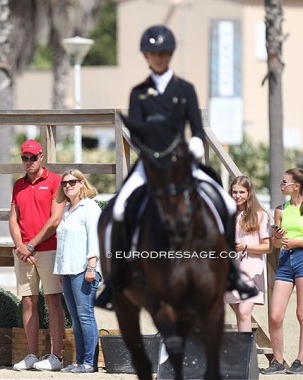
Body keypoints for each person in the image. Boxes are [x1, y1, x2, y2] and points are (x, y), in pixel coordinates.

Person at [96, 24, 256, 309]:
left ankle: (231, 270)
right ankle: (117, 276)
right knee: (118, 208)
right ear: (146, 56)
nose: (158, 57)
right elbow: (138, 133)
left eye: (163, 52)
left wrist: (195, 144)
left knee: (228, 206)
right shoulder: (139, 93)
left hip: (182, 162)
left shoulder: (185, 90)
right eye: (153, 53)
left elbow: (195, 127)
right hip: (150, 165)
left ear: (169, 54)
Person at [9, 139, 66, 371]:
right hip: (24, 252)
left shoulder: (55, 181)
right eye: (25, 158)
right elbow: (13, 217)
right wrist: (21, 246)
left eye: (33, 157)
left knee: (53, 300)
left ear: (42, 156)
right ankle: (32, 354)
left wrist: (30, 245)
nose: (29, 161)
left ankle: (57, 356)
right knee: (28, 301)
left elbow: (55, 219)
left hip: (49, 249)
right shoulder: (18, 185)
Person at [261, 168, 303, 375]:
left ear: (296, 186)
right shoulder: (280, 209)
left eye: (284, 182)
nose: (281, 184)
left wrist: (297, 241)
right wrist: (277, 235)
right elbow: (277, 245)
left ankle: (300, 362)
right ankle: (278, 361)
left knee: (302, 314)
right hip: (285, 261)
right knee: (275, 315)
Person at [53, 169, 102, 374]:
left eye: (73, 182)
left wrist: (92, 266)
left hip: (84, 270)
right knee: (75, 317)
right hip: (68, 270)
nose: (68, 186)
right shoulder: (66, 209)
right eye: (65, 183)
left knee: (85, 316)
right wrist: (60, 270)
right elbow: (63, 243)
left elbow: (96, 238)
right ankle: (81, 360)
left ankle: (89, 363)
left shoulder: (89, 207)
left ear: (82, 183)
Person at [225, 176, 270, 332]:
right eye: (234, 192)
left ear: (249, 193)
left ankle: (245, 353)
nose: (237, 195)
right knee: (241, 316)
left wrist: (245, 247)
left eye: (241, 192)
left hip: (252, 271)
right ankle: (247, 355)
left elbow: (267, 247)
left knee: (244, 313)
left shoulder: (260, 215)